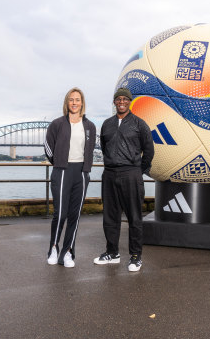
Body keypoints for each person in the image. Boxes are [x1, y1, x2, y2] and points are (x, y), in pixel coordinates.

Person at [94, 87, 154, 272]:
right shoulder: (106, 124)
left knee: (134, 217)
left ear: (130, 102)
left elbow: (149, 151)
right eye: (118, 99)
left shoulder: (139, 124)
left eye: (125, 99)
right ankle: (112, 252)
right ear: (114, 102)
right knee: (110, 216)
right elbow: (105, 148)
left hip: (131, 174)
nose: (121, 101)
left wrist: (137, 171)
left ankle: (136, 256)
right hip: (110, 174)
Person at [44, 87, 96, 268]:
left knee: (75, 214)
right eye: (71, 100)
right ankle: (53, 248)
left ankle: (68, 252)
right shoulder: (57, 124)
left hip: (81, 173)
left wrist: (86, 169)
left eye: (78, 99)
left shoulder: (90, 126)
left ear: (82, 103)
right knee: (60, 214)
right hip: (62, 170)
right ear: (67, 103)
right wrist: (58, 162)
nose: (74, 103)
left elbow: (90, 149)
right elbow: (48, 147)